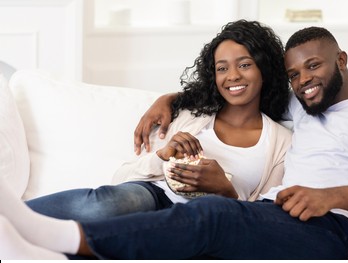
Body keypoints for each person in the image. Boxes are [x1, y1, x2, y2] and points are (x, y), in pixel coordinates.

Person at [0, 26, 348, 260]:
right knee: (164, 218)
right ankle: (36, 248)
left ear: (342, 60)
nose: (304, 81)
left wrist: (330, 197)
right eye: (294, 75)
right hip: (270, 214)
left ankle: (59, 237)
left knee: (212, 216)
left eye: (314, 67)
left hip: (331, 228)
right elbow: (234, 87)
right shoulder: (302, 104)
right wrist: (167, 99)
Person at [24, 20, 292, 222]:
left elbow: (264, 217)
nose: (232, 76)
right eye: (222, 68)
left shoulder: (280, 141)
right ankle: (14, 219)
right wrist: (162, 156)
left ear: (264, 69)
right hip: (154, 195)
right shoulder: (191, 115)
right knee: (102, 205)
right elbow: (120, 178)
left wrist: (227, 191)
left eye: (244, 64)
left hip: (205, 220)